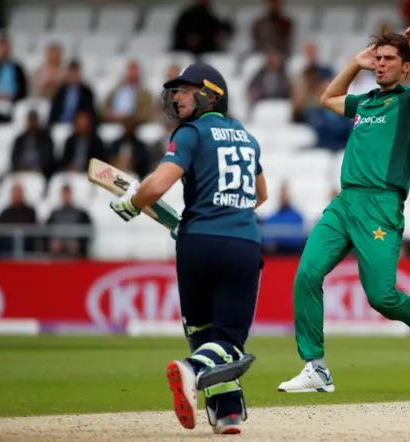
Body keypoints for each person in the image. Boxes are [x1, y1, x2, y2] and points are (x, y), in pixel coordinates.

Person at [277, 27, 410, 394]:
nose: (379, 64)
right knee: (306, 275)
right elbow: (328, 97)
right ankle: (315, 368)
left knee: (381, 297)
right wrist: (354, 64)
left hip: (381, 206)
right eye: (377, 58)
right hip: (345, 202)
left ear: (406, 67)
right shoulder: (365, 102)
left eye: (388, 59)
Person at [109, 63, 268, 434]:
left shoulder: (191, 133)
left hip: (195, 242)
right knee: (228, 341)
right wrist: (228, 211)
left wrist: (132, 204)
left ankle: (225, 408)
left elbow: (153, 189)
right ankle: (197, 376)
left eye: (185, 89)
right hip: (241, 241)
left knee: (202, 331)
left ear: (211, 94)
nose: (176, 96)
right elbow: (260, 195)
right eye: (175, 90)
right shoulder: (246, 136)